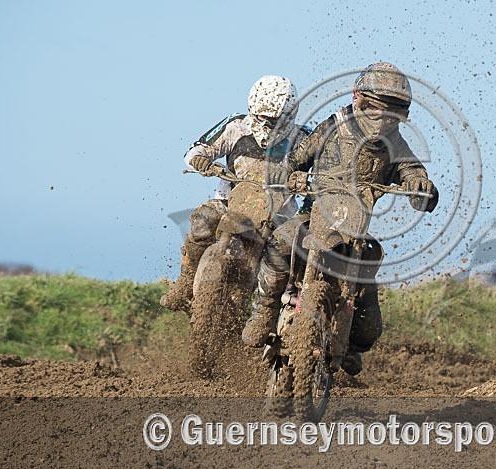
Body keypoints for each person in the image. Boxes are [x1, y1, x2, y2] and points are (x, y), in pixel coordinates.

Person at [241, 62, 439, 376]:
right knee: (280, 241)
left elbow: (413, 171)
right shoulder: (333, 127)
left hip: (355, 232)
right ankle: (264, 311)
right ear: (359, 100)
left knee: (369, 302)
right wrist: (289, 174)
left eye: (390, 112)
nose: (381, 118)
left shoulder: (397, 145)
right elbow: (295, 157)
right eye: (375, 108)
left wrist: (420, 185)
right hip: (313, 215)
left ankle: (352, 343)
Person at [161, 75, 310, 312]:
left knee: (292, 247)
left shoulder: (303, 138)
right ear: (252, 110)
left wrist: (309, 180)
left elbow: (323, 171)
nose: (268, 125)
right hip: (229, 202)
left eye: (275, 120)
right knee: (203, 220)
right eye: (263, 118)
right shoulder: (235, 126)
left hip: (279, 213)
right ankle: (185, 283)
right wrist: (201, 161)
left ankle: (282, 308)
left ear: (289, 116)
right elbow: (195, 150)